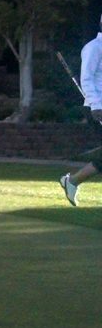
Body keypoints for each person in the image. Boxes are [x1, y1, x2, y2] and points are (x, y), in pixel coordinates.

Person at [58, 13, 102, 205]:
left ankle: (72, 181)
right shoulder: (94, 48)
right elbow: (86, 78)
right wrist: (97, 105)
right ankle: (72, 181)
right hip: (97, 108)